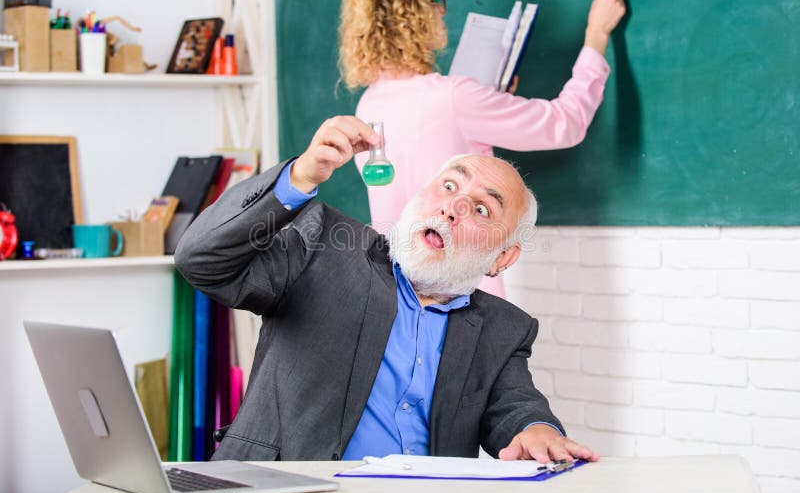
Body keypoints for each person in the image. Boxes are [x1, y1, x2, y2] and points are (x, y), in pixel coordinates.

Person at [175, 116, 599, 464]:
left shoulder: (504, 328)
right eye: (450, 186)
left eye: (483, 208)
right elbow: (201, 260)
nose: (454, 207)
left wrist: (538, 430)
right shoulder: (322, 247)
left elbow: (516, 406)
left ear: (502, 258)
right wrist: (299, 177)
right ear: (419, 195)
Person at [339, 0, 626, 297]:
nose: (440, 10)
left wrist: (491, 102)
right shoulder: (455, 97)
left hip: (396, 293)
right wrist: (597, 35)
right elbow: (565, 124)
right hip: (463, 294)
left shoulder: (368, 104)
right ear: (415, 17)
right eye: (434, 1)